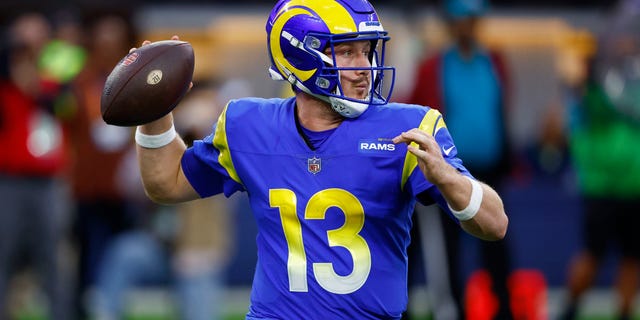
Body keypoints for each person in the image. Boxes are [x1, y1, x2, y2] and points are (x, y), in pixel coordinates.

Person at [130, 0, 508, 318]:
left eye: (368, 50)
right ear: (299, 54)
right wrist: (155, 110)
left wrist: (449, 178)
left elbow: (495, 224)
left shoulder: (410, 126)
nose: (365, 67)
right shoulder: (247, 124)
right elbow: (167, 183)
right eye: (346, 51)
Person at [404, 0, 514, 319]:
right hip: (447, 173)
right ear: (451, 24)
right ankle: (454, 310)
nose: (466, 25)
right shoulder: (434, 65)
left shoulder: (493, 62)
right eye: (460, 20)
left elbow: (500, 111)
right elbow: (418, 113)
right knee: (446, 252)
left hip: (491, 170)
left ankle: (503, 311)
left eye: (472, 19)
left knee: (496, 242)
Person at [559, 0, 640, 319]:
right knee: (592, 254)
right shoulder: (594, 76)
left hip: (635, 185)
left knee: (633, 257)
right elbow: (578, 106)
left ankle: (623, 312)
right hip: (601, 184)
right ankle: (570, 309)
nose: (628, 40)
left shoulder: (632, 78)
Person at [0, 12, 72, 320]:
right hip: (9, 181)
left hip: (48, 182)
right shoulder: (4, 76)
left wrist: (37, 85)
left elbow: (65, 107)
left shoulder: (56, 73)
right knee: (3, 254)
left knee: (53, 259)